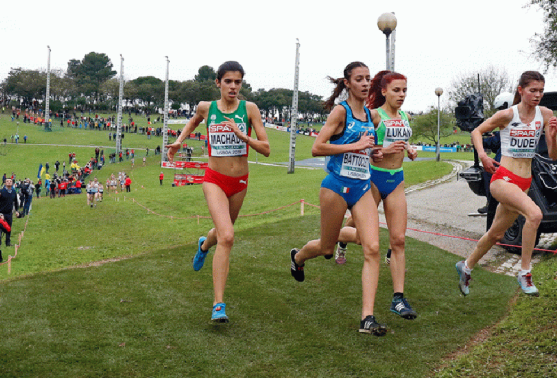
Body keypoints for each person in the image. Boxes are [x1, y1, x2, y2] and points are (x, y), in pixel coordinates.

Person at [288, 62, 387, 336]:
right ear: (347, 83)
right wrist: (354, 145)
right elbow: (317, 147)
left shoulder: (372, 117)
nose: (366, 83)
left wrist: (373, 154)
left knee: (373, 248)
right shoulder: (340, 112)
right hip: (335, 186)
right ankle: (298, 257)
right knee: (327, 248)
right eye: (359, 79)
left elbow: (370, 149)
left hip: (362, 187)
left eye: (368, 79)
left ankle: (367, 318)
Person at [166, 61, 270, 323]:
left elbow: (266, 148)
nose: (233, 86)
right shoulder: (206, 107)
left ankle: (203, 244)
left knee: (222, 235)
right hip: (214, 179)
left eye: (238, 82)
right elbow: (193, 122)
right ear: (218, 83)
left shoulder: (249, 109)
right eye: (228, 82)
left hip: (240, 182)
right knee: (228, 236)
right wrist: (179, 141)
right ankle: (218, 304)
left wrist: (243, 136)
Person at [456, 71, 557, 297]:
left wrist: (551, 137)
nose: (537, 95)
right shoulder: (507, 115)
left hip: (523, 182)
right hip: (503, 179)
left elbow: (553, 155)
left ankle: (466, 266)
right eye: (533, 90)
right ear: (521, 90)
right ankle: (525, 272)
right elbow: (476, 131)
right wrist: (483, 156)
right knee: (535, 215)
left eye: (541, 91)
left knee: (495, 234)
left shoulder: (545, 114)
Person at [333, 70, 418, 320]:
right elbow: (365, 147)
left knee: (398, 240)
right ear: (383, 91)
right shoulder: (374, 116)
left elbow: (403, 143)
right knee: (361, 236)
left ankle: (398, 299)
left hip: (396, 179)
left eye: (404, 90)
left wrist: (409, 150)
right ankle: (335, 238)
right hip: (372, 179)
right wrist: (380, 150)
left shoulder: (404, 116)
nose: (401, 95)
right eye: (396, 90)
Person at [0, 178, 19, 246]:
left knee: (9, 228)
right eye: (7, 181)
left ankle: (8, 242)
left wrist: (17, 211)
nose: (9, 182)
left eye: (10, 181)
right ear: (5, 183)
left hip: (9, 213)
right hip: (1, 213)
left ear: (12, 183)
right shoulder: (1, 191)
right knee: (0, 228)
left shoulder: (14, 191)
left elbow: (16, 202)